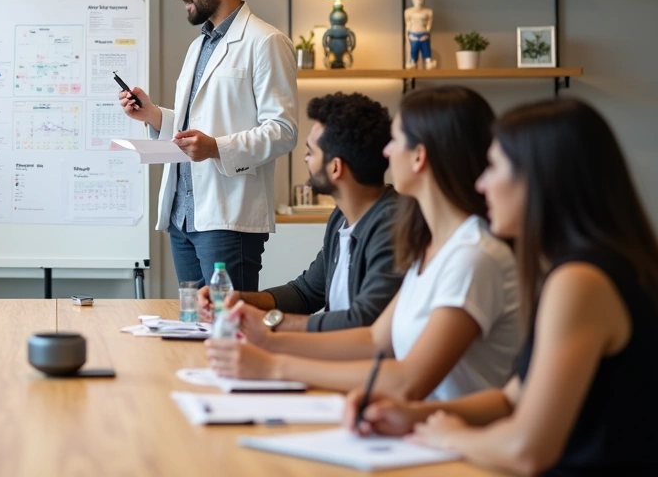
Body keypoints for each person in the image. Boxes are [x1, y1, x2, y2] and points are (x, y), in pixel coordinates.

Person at [346, 99, 658, 475]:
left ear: (538, 177)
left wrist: (450, 435)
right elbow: (513, 398)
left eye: (494, 167)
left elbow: (527, 451)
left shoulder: (581, 282)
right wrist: (415, 414)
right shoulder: (588, 270)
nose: (481, 184)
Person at [207, 86, 523, 402]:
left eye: (396, 141)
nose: (385, 152)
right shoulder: (431, 246)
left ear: (419, 156)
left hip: (438, 438)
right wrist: (266, 338)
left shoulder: (471, 255)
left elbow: (407, 379)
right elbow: (373, 339)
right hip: (408, 423)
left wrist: (274, 364)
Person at [119, 0, 298, 291]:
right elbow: (196, 124)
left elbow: (283, 130)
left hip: (228, 218)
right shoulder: (200, 45)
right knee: (193, 329)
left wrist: (216, 148)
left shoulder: (266, 42)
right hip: (184, 219)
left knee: (227, 328)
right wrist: (153, 114)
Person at [198, 92, 403, 332]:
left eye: (311, 152)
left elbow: (363, 321)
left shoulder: (392, 226)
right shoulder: (341, 218)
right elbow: (305, 293)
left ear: (336, 167)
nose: (306, 159)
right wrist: (237, 300)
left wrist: (268, 323)